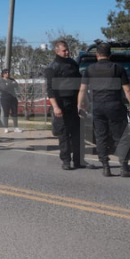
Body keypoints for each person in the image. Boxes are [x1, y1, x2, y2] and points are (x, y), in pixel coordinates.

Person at [77, 43, 130, 177]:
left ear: (97, 55)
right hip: (115, 105)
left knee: (101, 137)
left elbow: (82, 90)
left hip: (98, 107)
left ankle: (105, 167)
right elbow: (127, 90)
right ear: (110, 55)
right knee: (120, 137)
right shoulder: (117, 68)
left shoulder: (89, 69)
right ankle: (124, 167)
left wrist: (80, 107)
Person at [44, 40, 84, 170]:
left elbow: (80, 84)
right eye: (64, 50)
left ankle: (78, 161)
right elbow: (50, 90)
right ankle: (66, 161)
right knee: (64, 134)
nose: (67, 52)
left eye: (67, 50)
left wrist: (81, 103)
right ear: (57, 51)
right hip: (61, 104)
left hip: (74, 103)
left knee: (77, 133)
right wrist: (56, 107)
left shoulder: (73, 64)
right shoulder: (52, 67)